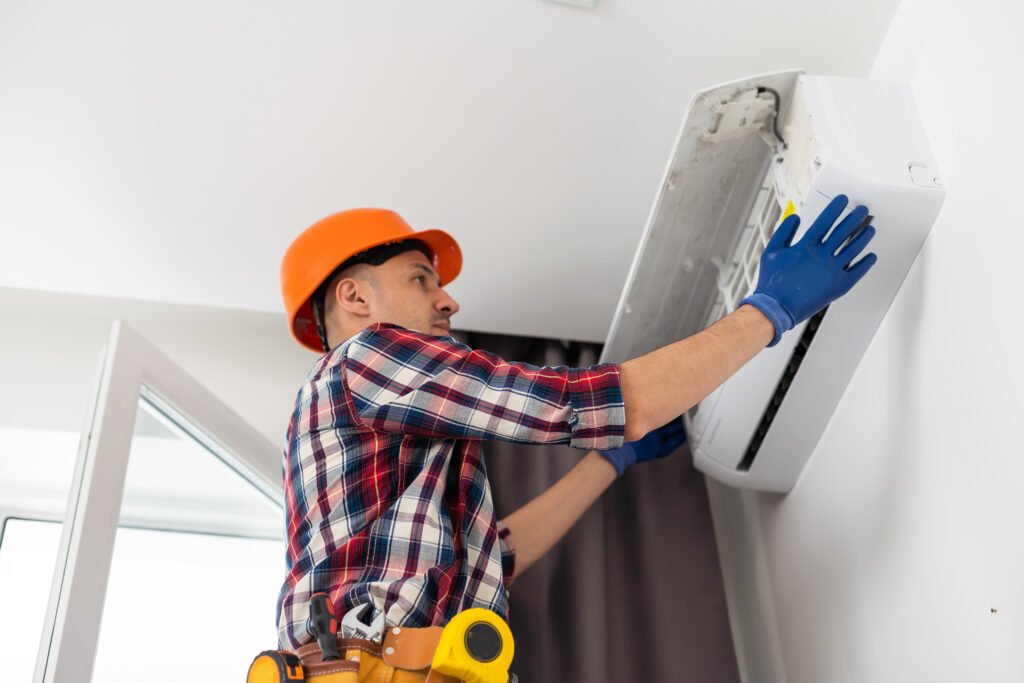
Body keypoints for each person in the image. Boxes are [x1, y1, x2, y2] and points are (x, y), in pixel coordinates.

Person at [274, 197, 876, 678]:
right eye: (420, 278)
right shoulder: (368, 357)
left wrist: (609, 463)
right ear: (355, 296)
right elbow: (583, 403)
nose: (447, 299)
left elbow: (493, 558)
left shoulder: (368, 416)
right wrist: (768, 311)